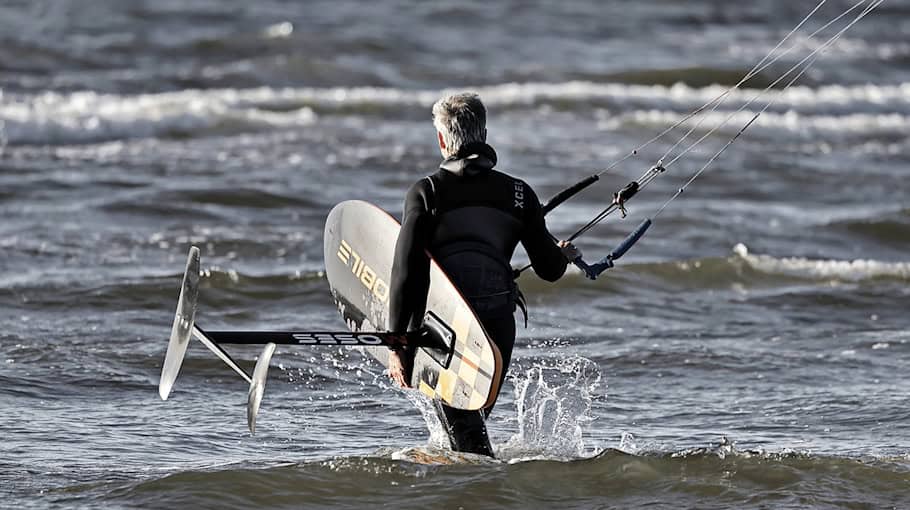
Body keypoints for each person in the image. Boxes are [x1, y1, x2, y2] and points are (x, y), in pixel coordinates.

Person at [387, 92, 579, 457]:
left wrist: (398, 344)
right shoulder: (520, 193)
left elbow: (405, 271)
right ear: (485, 134)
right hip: (495, 332)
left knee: (470, 448)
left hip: (444, 331)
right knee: (466, 435)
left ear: (442, 140)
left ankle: (490, 492)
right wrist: (562, 255)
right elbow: (550, 270)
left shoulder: (426, 192)